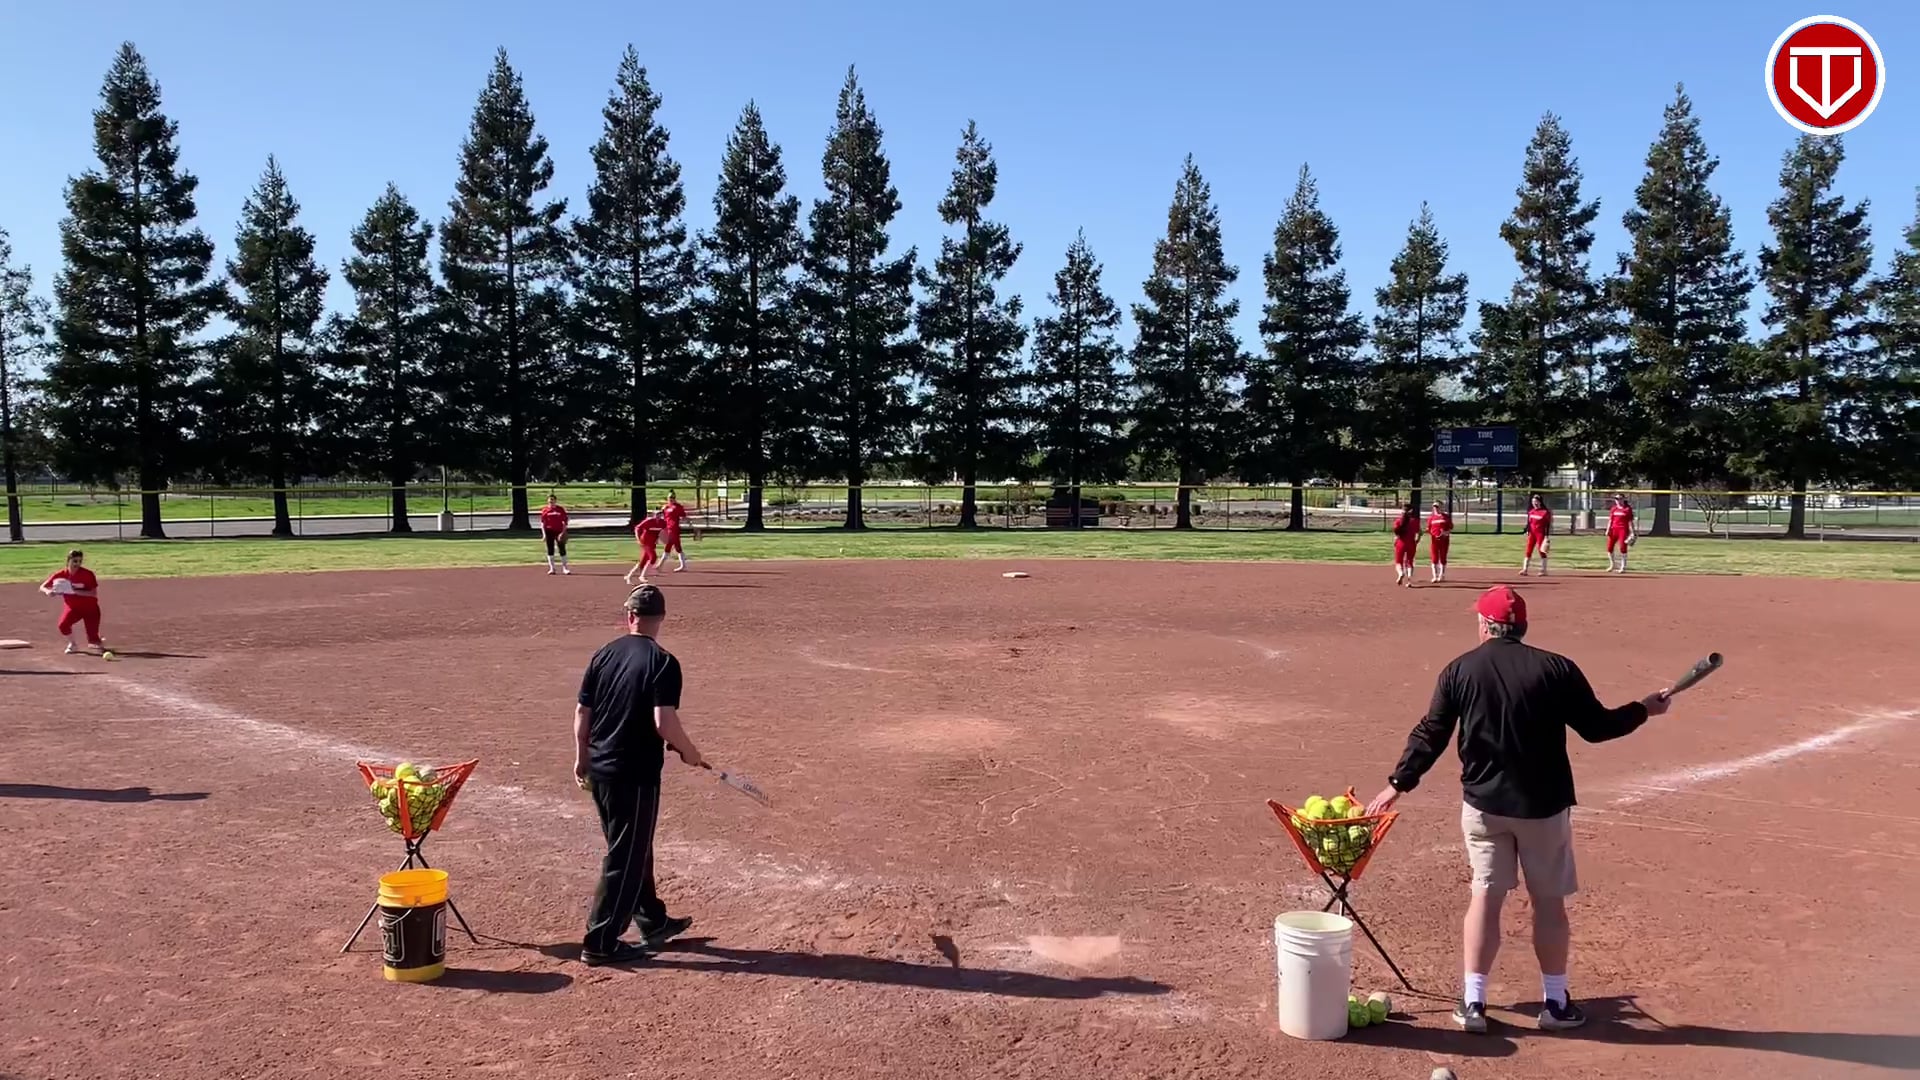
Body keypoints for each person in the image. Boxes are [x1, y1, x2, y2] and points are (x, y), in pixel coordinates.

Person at [1363, 585, 1674, 1034]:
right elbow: (1597, 727)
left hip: (1484, 806)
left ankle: (1473, 1003)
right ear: (1522, 626)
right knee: (1548, 903)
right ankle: (1555, 1003)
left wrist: (1398, 784)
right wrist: (1643, 709)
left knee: (1485, 897)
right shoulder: (1556, 668)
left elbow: (1432, 732)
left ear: (1485, 625)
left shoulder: (1459, 670)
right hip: (1543, 808)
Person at [573, 584, 708, 966]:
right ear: (661, 618)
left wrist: (581, 758)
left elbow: (582, 714)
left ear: (629, 615)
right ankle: (600, 941)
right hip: (633, 774)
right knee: (626, 854)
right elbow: (664, 722)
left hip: (600, 767)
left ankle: (651, 919)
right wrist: (689, 751)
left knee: (633, 846)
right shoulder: (663, 662)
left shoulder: (604, 654)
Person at [40, 549, 106, 655]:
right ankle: (73, 644)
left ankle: (96, 639)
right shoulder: (61, 575)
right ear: (68, 561)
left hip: (90, 609)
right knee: (63, 625)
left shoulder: (88, 574)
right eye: (75, 561)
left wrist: (73, 591)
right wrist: (48, 591)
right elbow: (43, 586)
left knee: (94, 642)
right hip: (73, 608)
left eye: (80, 561)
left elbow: (93, 593)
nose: (77, 564)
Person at [626, 512, 665, 585]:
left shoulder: (662, 522)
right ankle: (642, 576)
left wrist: (660, 539)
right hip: (645, 542)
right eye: (657, 514)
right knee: (653, 557)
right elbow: (637, 528)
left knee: (643, 562)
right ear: (654, 515)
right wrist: (638, 539)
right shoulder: (649, 521)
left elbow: (663, 531)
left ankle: (629, 576)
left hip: (652, 543)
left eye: (660, 514)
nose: (658, 516)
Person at [1390, 503, 1421, 588]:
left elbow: (1396, 533)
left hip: (1401, 543)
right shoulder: (1415, 521)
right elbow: (1419, 532)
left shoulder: (1398, 521)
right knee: (1409, 562)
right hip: (1411, 543)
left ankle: (1400, 573)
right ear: (1411, 511)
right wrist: (1417, 540)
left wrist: (1395, 541)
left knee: (1398, 561)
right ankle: (1409, 580)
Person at [540, 494, 572, 576]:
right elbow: (543, 523)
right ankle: (552, 568)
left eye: (553, 500)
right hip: (549, 531)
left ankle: (565, 568)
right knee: (550, 549)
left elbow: (565, 522)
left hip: (559, 531)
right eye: (550, 500)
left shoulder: (560, 509)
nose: (551, 501)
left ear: (555, 500)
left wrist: (563, 532)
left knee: (562, 549)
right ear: (548, 501)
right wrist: (544, 534)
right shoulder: (545, 510)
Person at [1521, 494, 1553, 576]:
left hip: (1540, 534)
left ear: (1540, 502)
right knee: (1528, 550)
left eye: (1536, 501)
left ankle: (1544, 570)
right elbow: (1529, 523)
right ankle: (1525, 569)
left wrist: (1546, 536)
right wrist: (1527, 530)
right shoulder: (1531, 511)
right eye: (1533, 501)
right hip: (1532, 534)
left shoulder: (1545, 512)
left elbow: (1547, 525)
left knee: (1541, 551)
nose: (1534, 503)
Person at [660, 492, 692, 573]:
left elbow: (683, 516)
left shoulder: (678, 507)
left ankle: (660, 565)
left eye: (673, 497)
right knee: (675, 547)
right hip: (668, 529)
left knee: (670, 546)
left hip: (674, 528)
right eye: (670, 497)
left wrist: (688, 521)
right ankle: (683, 566)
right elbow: (664, 518)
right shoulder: (666, 507)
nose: (671, 499)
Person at [1605, 493, 1637, 574]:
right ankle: (1612, 565)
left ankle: (1623, 566)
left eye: (1620, 499)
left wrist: (1632, 532)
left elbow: (1630, 521)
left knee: (1623, 547)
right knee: (1609, 548)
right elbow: (1610, 520)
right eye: (1616, 499)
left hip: (1623, 530)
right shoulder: (1614, 508)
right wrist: (1608, 529)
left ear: (1623, 499)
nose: (1618, 500)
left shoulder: (1627, 509)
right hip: (1613, 529)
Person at [1427, 500, 1454, 583]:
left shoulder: (1446, 517)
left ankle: (1442, 575)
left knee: (1443, 557)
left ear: (1441, 507)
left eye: (1437, 507)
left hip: (1444, 541)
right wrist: (1432, 533)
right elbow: (1429, 529)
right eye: (1434, 507)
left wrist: (1445, 533)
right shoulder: (1431, 518)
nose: (1436, 508)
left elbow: (1450, 528)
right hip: (1434, 541)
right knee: (1434, 558)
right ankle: (1435, 576)